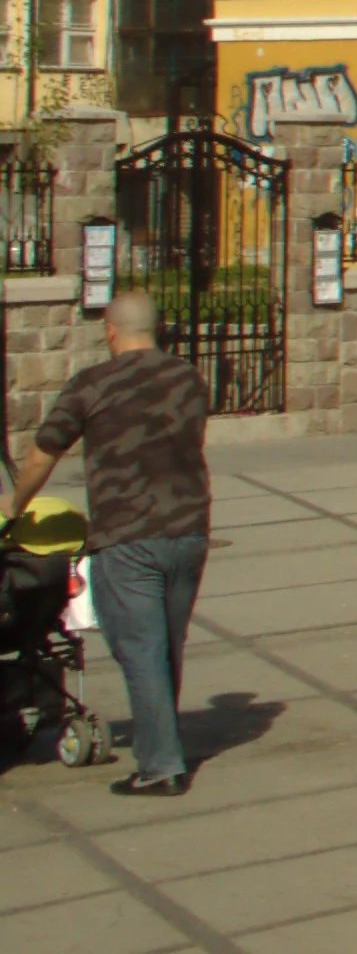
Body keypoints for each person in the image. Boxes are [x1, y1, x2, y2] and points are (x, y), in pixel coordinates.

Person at [12, 290, 211, 795]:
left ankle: (161, 767)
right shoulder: (188, 377)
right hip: (189, 530)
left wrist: (13, 507)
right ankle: (161, 743)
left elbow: (43, 453)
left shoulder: (93, 384)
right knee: (167, 645)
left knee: (139, 648)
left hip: (127, 534)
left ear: (110, 330)